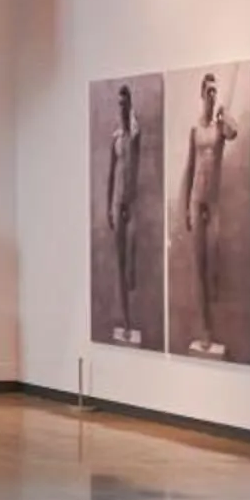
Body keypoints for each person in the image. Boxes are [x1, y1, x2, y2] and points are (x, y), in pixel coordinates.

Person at [177, 72, 240, 353]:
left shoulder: (218, 129)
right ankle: (205, 329)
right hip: (196, 199)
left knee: (214, 263)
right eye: (209, 91)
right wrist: (186, 211)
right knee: (199, 268)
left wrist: (225, 115)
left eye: (216, 91)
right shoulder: (195, 130)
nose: (213, 95)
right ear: (202, 94)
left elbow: (234, 132)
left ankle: (214, 324)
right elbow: (189, 168)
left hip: (212, 203)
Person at [104, 85, 142, 341]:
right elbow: (110, 175)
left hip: (132, 201)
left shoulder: (134, 135)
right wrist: (109, 206)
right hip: (117, 201)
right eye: (119, 103)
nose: (122, 107)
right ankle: (126, 321)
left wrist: (132, 119)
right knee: (119, 263)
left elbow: (136, 134)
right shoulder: (115, 138)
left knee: (130, 262)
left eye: (125, 103)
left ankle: (132, 287)